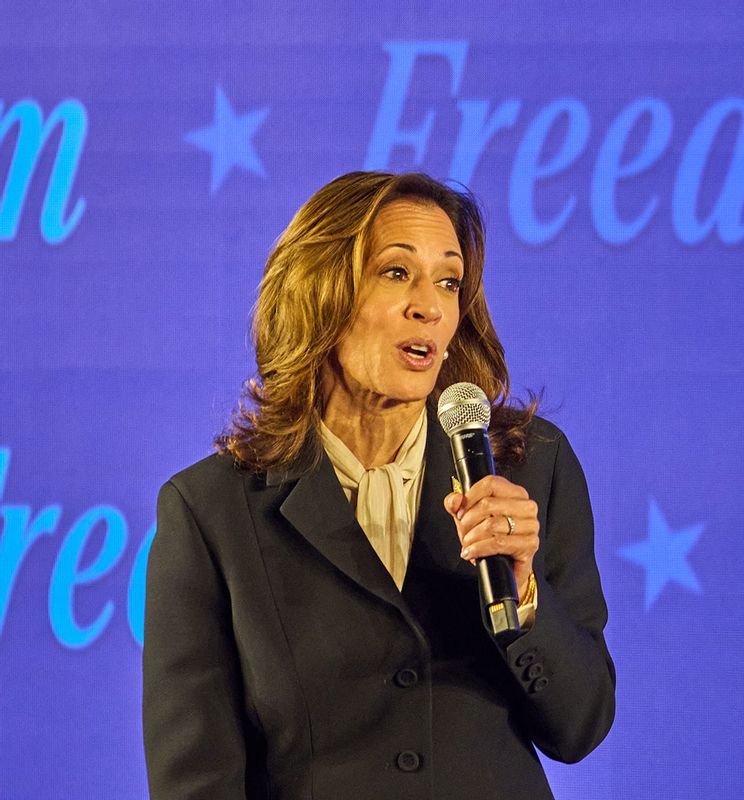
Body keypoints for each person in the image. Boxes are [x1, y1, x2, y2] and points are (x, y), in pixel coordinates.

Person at [142, 172, 616, 799]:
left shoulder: (527, 467)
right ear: (321, 296)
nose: (431, 305)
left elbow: (580, 726)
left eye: (449, 281)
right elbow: (196, 781)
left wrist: (525, 595)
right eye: (396, 273)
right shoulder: (211, 513)